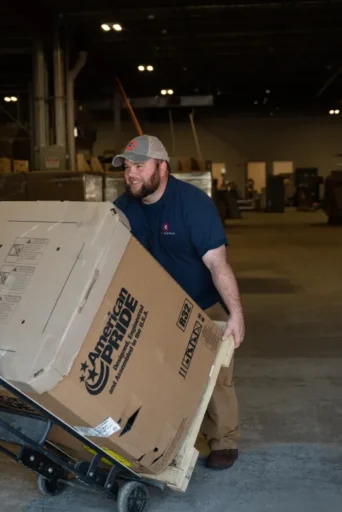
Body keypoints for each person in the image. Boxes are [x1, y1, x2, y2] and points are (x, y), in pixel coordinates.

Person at [112, 134, 245, 470]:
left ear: (162, 167)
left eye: (139, 166)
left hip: (200, 303)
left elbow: (218, 264)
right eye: (127, 167)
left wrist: (236, 314)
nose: (131, 174)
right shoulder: (123, 207)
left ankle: (224, 441)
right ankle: (157, 439)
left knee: (215, 374)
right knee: (154, 374)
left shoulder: (193, 205)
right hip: (154, 306)